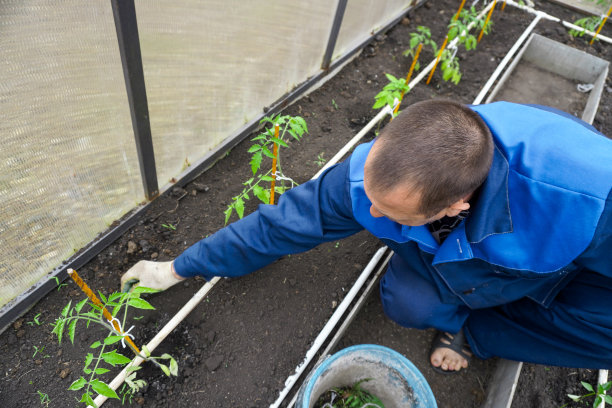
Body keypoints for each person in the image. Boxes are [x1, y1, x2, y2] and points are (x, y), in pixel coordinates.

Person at [121, 100, 612, 372]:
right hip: (484, 258)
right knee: (408, 304)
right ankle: (469, 322)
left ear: (454, 208)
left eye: (390, 212)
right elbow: (279, 225)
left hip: (570, 248)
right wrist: (177, 267)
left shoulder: (588, 199)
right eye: (370, 196)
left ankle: (484, 326)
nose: (368, 213)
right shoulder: (372, 175)